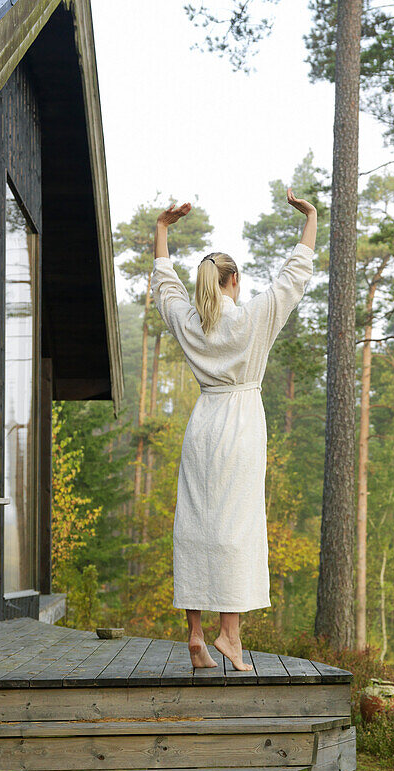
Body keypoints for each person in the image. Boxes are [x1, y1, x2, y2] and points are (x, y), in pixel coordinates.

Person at [152, 190, 318, 671]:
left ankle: (196, 635)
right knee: (237, 528)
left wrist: (162, 229)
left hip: (203, 424)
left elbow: (166, 286)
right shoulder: (251, 319)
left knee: (195, 525)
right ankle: (231, 635)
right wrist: (310, 217)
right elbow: (294, 277)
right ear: (234, 281)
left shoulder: (190, 321)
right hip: (241, 425)